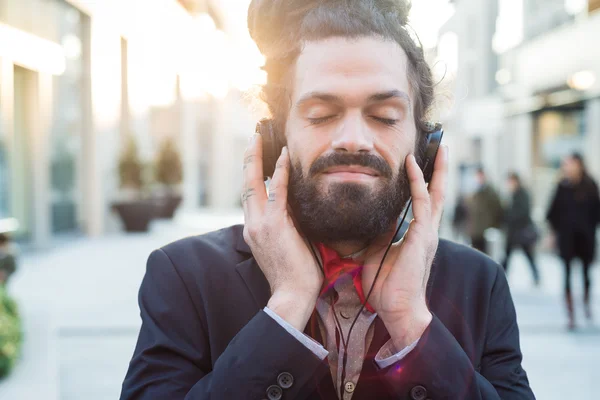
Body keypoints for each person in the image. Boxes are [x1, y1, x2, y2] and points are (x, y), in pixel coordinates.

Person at [120, 1, 534, 399]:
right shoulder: (183, 277)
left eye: (385, 116)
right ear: (275, 140)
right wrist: (286, 308)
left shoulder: (481, 284)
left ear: (426, 148)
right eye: (320, 114)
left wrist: (411, 323)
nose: (352, 139)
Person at [547, 153, 600, 330]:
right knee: (567, 274)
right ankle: (571, 314)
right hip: (567, 237)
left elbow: (596, 211)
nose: (568, 167)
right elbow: (553, 212)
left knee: (586, 273)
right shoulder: (562, 186)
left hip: (586, 237)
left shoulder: (590, 185)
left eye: (571, 164)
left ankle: (585, 303)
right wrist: (553, 234)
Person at [502, 173, 540, 286]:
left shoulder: (522, 194)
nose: (509, 184)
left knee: (528, 255)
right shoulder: (513, 194)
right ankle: (502, 275)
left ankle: (536, 276)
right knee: (507, 255)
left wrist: (509, 217)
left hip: (521, 231)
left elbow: (522, 212)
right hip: (514, 232)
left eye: (510, 182)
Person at [468, 167, 503, 255]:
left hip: (485, 231)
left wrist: (494, 226)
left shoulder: (490, 192)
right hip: (475, 230)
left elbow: (497, 210)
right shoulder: (475, 192)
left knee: (485, 256)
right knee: (475, 254)